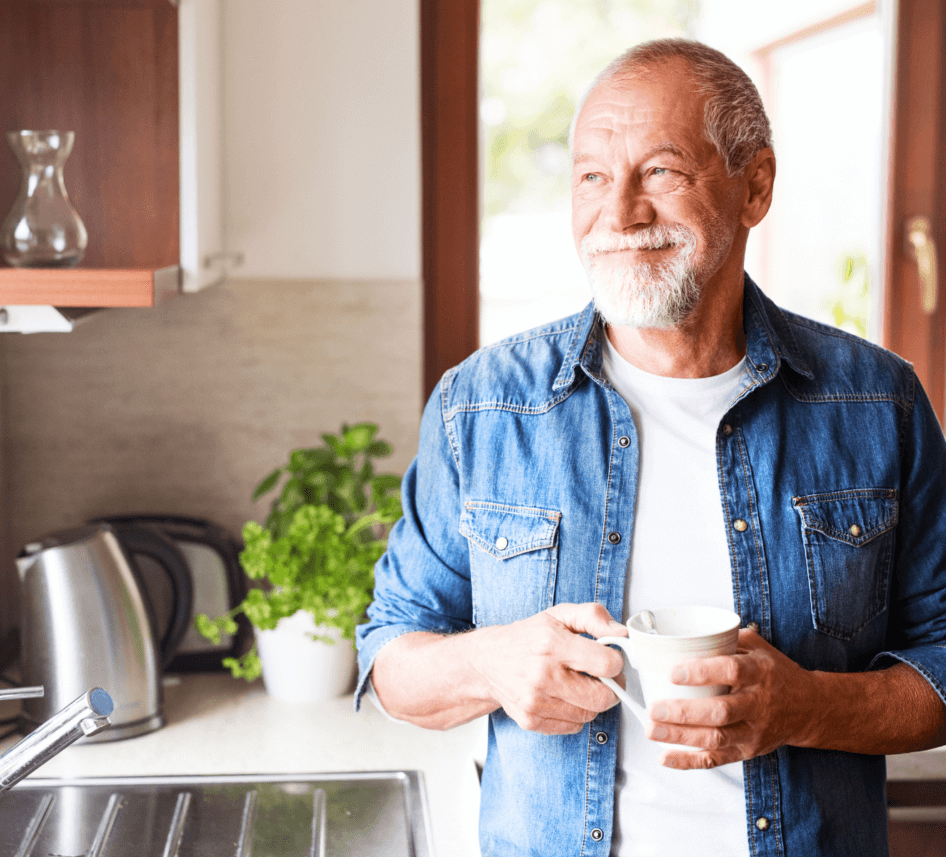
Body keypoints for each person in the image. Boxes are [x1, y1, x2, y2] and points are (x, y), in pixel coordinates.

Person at [355, 38, 946, 857]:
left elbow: (943, 664)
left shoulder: (879, 403)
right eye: (593, 177)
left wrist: (805, 704)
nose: (619, 214)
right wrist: (491, 664)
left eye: (660, 172)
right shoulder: (483, 405)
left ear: (756, 186)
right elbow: (391, 657)